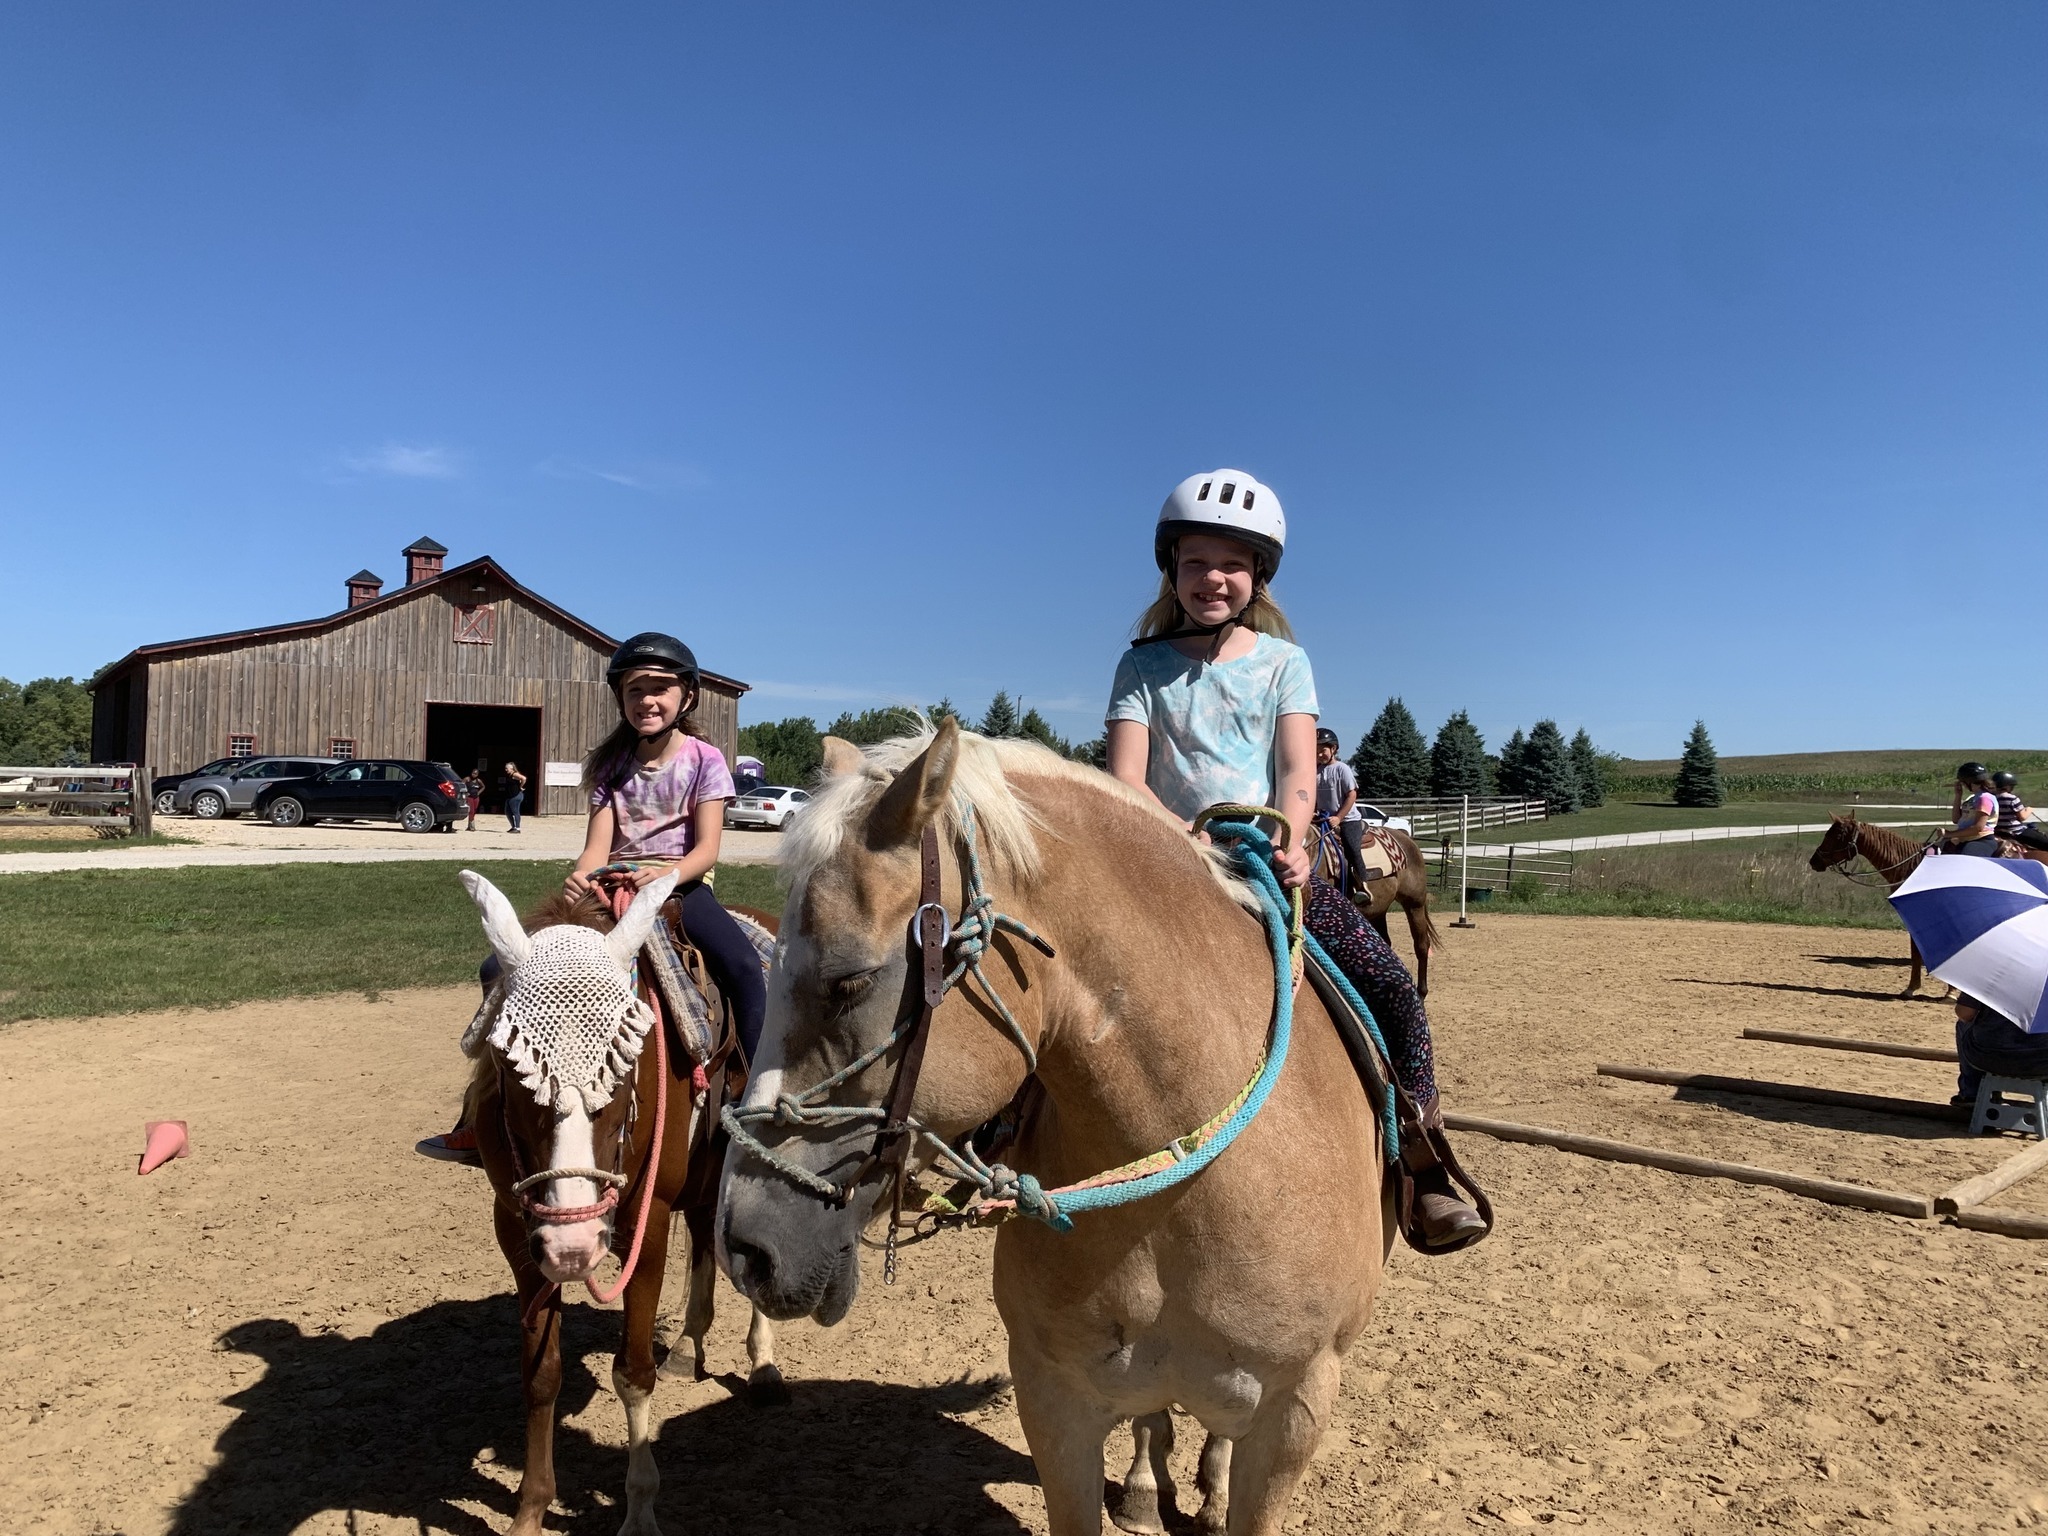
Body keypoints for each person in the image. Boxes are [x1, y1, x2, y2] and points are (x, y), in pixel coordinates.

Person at [1104, 468, 1487, 1248]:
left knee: (1392, 990)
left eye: (1233, 563)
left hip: (1267, 865)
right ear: (1170, 570)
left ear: (1258, 577)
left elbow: (1293, 773)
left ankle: (1421, 1163)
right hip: (1165, 865)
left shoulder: (1284, 663)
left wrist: (1290, 840)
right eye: (1196, 562)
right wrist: (1187, 846)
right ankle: (1000, 1136)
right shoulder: (1141, 667)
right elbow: (1126, 780)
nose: (1214, 577)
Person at [416, 632, 767, 1165]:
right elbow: (594, 849)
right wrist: (580, 879)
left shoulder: (705, 760)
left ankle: (756, 1093)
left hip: (681, 886)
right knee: (501, 968)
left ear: (687, 697)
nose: (647, 699)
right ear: (620, 699)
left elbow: (707, 849)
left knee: (742, 964)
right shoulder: (610, 765)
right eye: (634, 689)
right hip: (613, 887)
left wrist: (665, 877)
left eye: (661, 688)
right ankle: (478, 1110)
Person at [1952, 992, 2048, 1113]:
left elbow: (1964, 1013)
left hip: (1989, 1056)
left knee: (1964, 1025)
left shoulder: (1991, 973)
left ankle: (1971, 1093)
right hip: (2042, 1063)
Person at [1313, 725, 1367, 893]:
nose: (1320, 754)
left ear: (1333, 749)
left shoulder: (1342, 769)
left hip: (1347, 820)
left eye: (1323, 750)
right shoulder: (1315, 771)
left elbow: (1352, 795)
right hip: (1323, 819)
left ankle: (1362, 885)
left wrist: (1339, 817)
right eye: (1316, 751)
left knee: (1351, 848)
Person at [1944, 762, 1999, 856]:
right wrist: (1958, 796)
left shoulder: (1984, 798)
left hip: (1981, 840)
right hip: (1966, 839)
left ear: (1968, 781)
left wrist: (1949, 834)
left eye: (1963, 782)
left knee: (1965, 861)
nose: (1962, 785)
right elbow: (1956, 819)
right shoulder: (1972, 798)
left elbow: (1978, 828)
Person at [1991, 771, 2048, 853]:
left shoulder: (1991, 798)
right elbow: (2022, 817)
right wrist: (2029, 809)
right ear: (2008, 786)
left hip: (1998, 831)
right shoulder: (2012, 798)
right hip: (2015, 831)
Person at [503, 761, 528, 834]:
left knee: (515, 811)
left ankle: (517, 828)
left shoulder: (514, 774)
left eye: (507, 768)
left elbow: (524, 778)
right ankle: (513, 827)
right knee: (507, 812)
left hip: (515, 796)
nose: (506, 770)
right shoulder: (509, 775)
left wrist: (521, 786)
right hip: (510, 796)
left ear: (511, 768)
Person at [463, 768, 483, 832]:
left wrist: (478, 793)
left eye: (476, 774)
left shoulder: (478, 781)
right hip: (469, 797)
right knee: (471, 811)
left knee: (474, 811)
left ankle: (469, 826)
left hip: (476, 797)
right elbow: (461, 785)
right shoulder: (467, 779)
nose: (474, 775)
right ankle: (472, 826)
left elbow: (483, 786)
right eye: (473, 773)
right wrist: (465, 793)